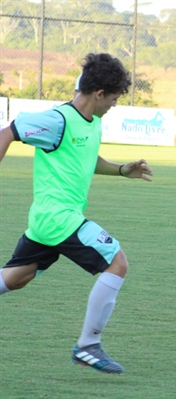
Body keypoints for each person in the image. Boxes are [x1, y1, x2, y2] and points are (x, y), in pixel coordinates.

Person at [0, 53, 153, 374]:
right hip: (59, 219)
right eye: (112, 98)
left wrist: (122, 170)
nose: (113, 105)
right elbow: (8, 132)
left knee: (16, 278)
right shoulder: (58, 120)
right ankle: (87, 345)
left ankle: (87, 345)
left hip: (47, 222)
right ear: (98, 94)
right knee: (117, 261)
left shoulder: (92, 122)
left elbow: (87, 157)